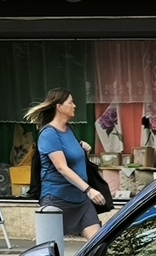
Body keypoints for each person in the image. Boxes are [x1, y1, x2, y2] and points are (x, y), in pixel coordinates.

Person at [25, 89, 107, 238]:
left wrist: (82, 150)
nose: (74, 105)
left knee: (98, 243)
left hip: (80, 200)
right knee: (52, 247)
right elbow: (62, 167)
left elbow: (71, 156)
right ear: (59, 107)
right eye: (70, 102)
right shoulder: (49, 134)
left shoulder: (69, 130)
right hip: (57, 200)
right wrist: (89, 190)